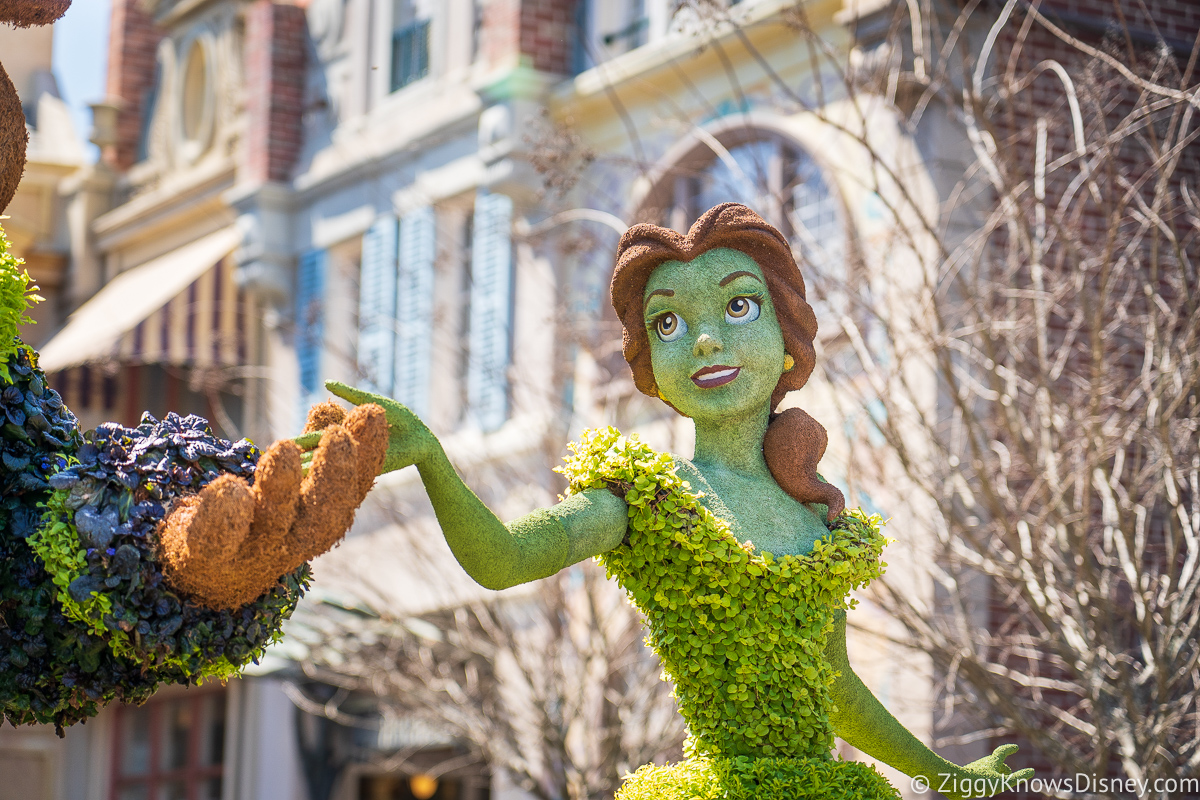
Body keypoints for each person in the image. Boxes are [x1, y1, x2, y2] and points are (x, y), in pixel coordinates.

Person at [313, 203, 1031, 799]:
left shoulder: (816, 518)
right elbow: (502, 561)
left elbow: (835, 685)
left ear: (787, 340)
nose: (706, 338)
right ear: (651, 368)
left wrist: (950, 777)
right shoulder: (647, 497)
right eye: (668, 323)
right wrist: (435, 460)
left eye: (738, 305)